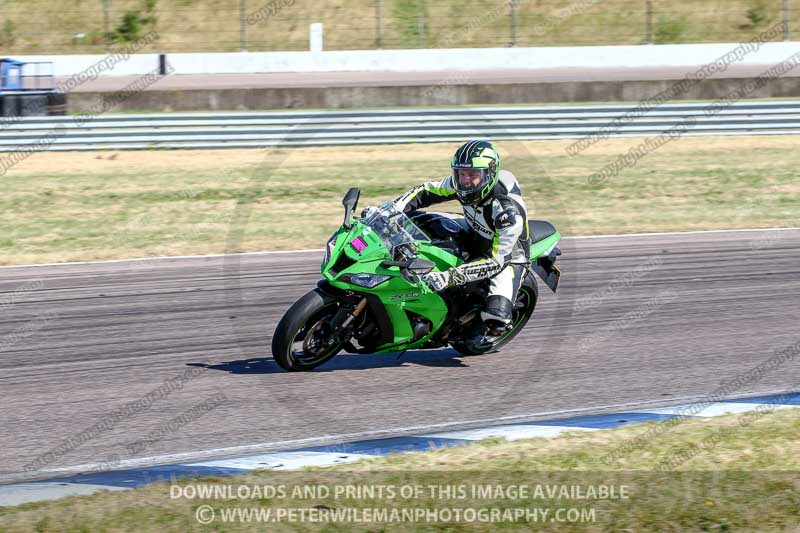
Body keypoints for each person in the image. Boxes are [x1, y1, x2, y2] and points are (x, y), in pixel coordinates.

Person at [393, 140, 531, 339]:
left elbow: (495, 262)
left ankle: (479, 328)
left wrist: (449, 277)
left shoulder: (507, 213)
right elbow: (425, 191)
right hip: (475, 230)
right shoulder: (460, 184)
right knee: (419, 223)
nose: (465, 181)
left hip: (507, 257)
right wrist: (390, 209)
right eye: (461, 173)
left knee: (496, 316)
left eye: (473, 175)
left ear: (489, 174)